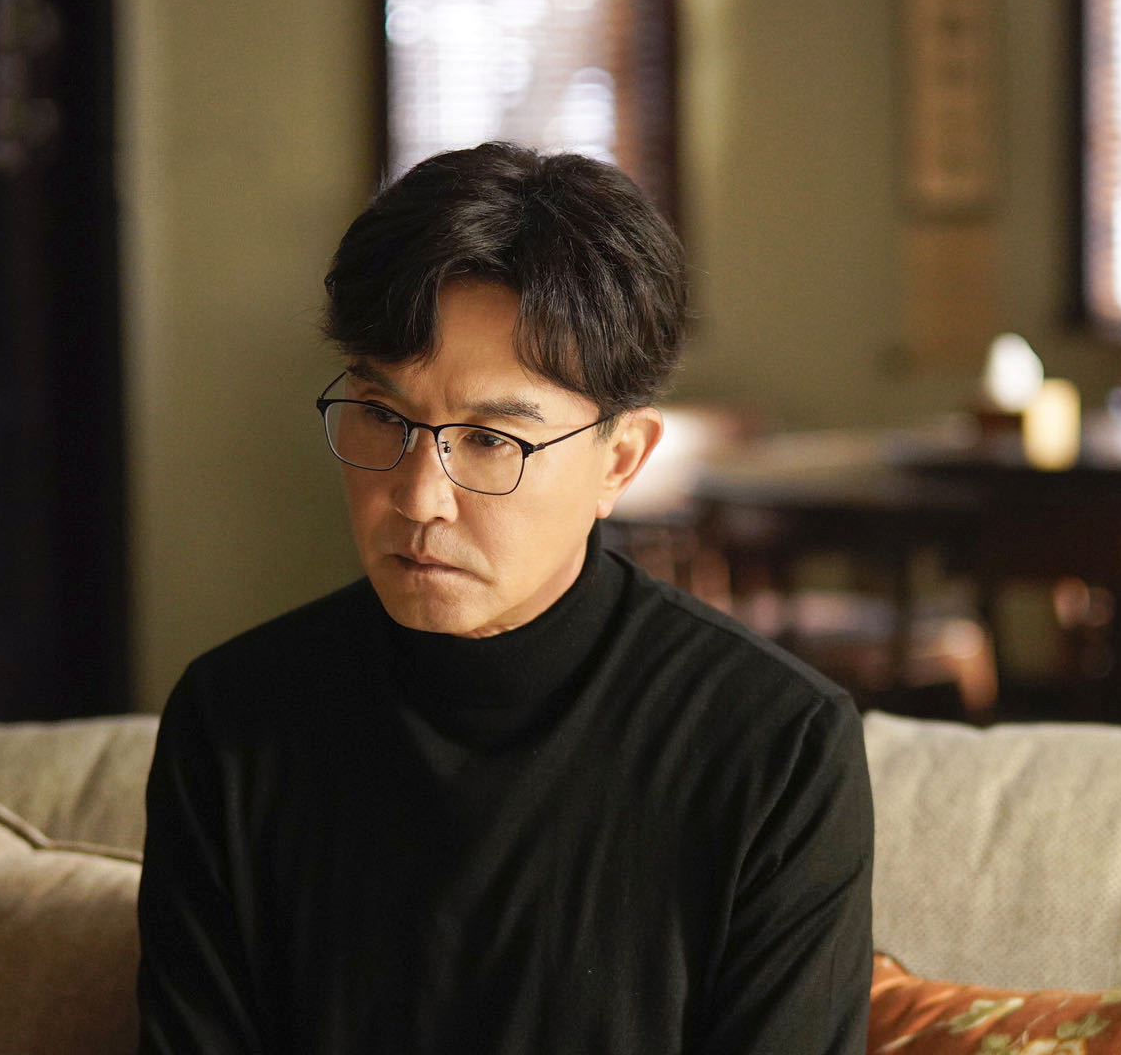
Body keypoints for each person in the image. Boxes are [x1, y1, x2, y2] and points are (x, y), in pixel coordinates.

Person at [134, 141, 873, 1054]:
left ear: (620, 461)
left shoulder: (772, 748)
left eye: (490, 440)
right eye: (385, 417)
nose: (418, 497)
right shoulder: (234, 720)